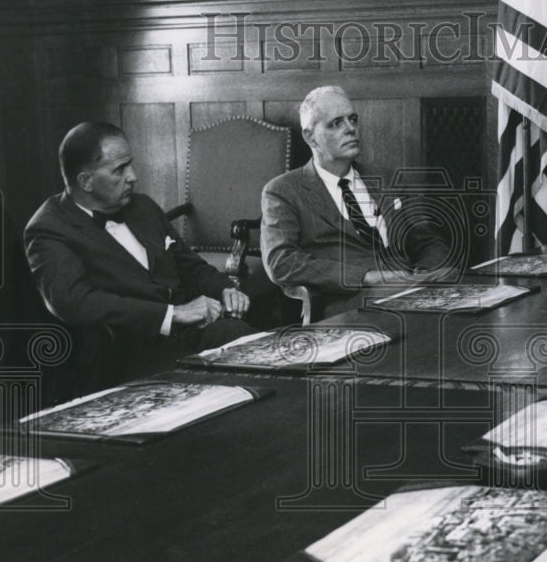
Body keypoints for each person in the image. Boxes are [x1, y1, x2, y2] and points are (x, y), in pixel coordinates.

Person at [25, 122, 254, 392]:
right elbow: (74, 302)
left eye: (130, 165)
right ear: (86, 181)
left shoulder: (142, 206)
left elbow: (189, 267)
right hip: (126, 357)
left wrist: (224, 288)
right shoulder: (49, 228)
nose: (132, 176)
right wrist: (173, 314)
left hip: (186, 337)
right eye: (119, 170)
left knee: (252, 349)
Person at [260, 86, 454, 318]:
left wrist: (422, 274)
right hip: (348, 303)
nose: (351, 129)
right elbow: (281, 262)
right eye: (336, 123)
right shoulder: (284, 190)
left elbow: (427, 240)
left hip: (409, 290)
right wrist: (365, 276)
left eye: (352, 119)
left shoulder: (387, 179)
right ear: (310, 136)